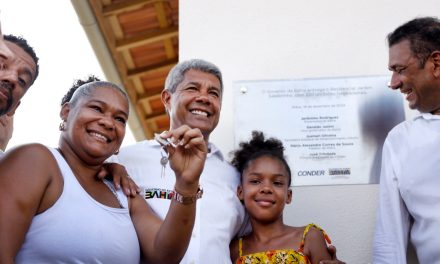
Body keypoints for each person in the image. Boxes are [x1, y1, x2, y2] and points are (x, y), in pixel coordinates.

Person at [112, 59, 343, 263]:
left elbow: (260, 241)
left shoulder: (235, 177)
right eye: (193, 88)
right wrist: (109, 165)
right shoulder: (127, 161)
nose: (204, 97)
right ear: (167, 98)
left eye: (214, 93)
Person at [0, 77, 207, 263]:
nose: (108, 122)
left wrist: (186, 183)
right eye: (97, 108)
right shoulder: (36, 160)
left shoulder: (122, 191)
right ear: (66, 111)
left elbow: (165, 256)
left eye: (120, 119)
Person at [373, 17, 440, 263]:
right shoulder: (401, 140)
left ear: (436, 63)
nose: (393, 84)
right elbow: (389, 238)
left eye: (399, 70)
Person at [229, 131, 332, 264]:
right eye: (255, 181)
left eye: (277, 183)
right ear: (240, 192)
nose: (266, 188)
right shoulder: (235, 249)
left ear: (288, 196)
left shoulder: (309, 238)